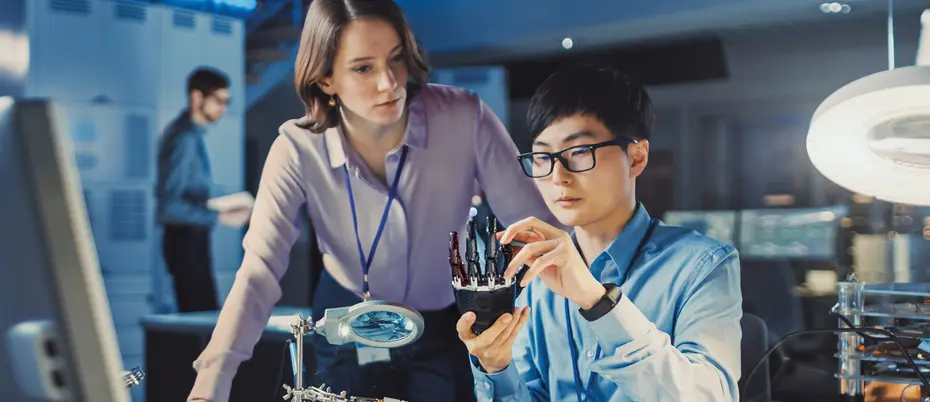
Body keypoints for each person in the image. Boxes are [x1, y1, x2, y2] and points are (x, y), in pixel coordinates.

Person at [186, 1, 558, 401]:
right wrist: (213, 377)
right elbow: (259, 270)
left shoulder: (464, 117)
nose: (389, 83)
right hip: (349, 317)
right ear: (325, 79)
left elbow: (540, 232)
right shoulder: (296, 148)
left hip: (446, 320)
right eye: (363, 68)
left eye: (396, 59)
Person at [457, 65, 743, 401]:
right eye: (543, 156)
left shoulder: (701, 265)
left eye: (579, 152)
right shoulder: (538, 277)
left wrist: (598, 302)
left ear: (636, 157)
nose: (558, 176)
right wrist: (496, 367)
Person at [156, 67, 251, 313]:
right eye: (218, 100)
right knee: (200, 318)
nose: (224, 108)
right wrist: (220, 216)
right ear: (197, 97)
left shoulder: (189, 135)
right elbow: (168, 207)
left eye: (227, 102)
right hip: (185, 241)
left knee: (203, 315)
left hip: (191, 239)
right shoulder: (184, 138)